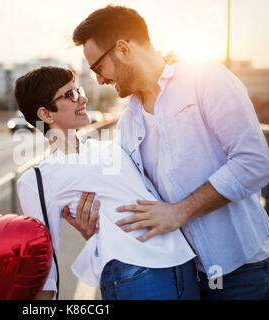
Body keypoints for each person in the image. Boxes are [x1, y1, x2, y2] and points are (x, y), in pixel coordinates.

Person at [65, 5, 269, 300]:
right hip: (181, 277)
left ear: (124, 49)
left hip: (242, 273)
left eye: (98, 68)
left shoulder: (206, 79)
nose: (99, 80)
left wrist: (179, 212)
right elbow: (134, 197)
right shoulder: (129, 123)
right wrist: (99, 228)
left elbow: (254, 163)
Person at [14, 66, 200, 300]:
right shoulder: (37, 179)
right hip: (135, 276)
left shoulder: (112, 145)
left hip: (183, 263)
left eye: (78, 90)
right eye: (70, 95)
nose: (83, 98)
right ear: (46, 115)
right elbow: (44, 263)